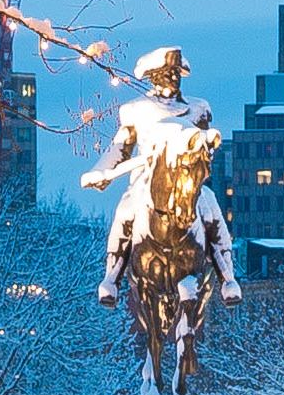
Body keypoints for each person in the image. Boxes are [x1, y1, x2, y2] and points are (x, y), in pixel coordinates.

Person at [80, 46, 242, 307]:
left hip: (188, 181)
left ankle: (228, 277)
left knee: (211, 210)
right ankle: (112, 277)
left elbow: (204, 151)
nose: (174, 79)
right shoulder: (136, 110)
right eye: (168, 74)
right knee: (125, 212)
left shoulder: (198, 109)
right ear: (154, 77)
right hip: (147, 183)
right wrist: (101, 173)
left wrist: (207, 145)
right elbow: (120, 149)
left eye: (177, 73)